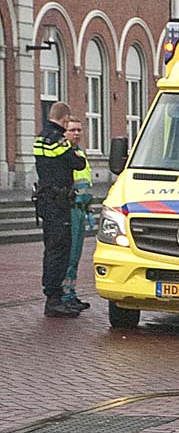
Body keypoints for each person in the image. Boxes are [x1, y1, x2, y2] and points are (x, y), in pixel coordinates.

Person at [33, 102, 86, 318]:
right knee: (60, 249)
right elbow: (77, 163)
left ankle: (55, 295)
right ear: (64, 119)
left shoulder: (40, 137)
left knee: (51, 248)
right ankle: (54, 299)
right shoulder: (58, 139)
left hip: (46, 200)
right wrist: (76, 153)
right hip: (58, 202)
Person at [62, 116, 92, 311]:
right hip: (71, 210)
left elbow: (85, 184)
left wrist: (89, 209)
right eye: (72, 130)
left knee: (76, 256)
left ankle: (72, 293)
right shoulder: (65, 155)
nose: (76, 133)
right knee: (69, 255)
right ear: (65, 132)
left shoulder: (80, 153)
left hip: (81, 210)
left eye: (79, 130)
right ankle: (65, 295)